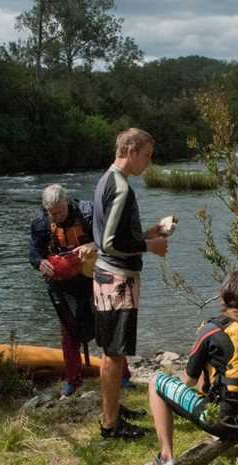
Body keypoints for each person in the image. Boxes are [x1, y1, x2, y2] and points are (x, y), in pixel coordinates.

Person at [144, 271, 238, 465]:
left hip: (224, 423)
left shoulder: (212, 330)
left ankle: (166, 458)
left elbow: (187, 381)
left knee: (155, 382)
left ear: (222, 295)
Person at [92, 128, 168, 439]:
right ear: (131, 150)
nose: (148, 163)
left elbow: (112, 236)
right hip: (117, 279)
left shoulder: (105, 180)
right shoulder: (122, 188)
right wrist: (151, 246)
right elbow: (110, 243)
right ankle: (110, 425)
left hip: (104, 275)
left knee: (111, 351)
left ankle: (111, 409)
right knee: (114, 352)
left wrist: (148, 232)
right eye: (147, 155)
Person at [29, 184, 133, 396]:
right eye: (52, 212)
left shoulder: (88, 213)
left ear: (67, 201)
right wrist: (40, 263)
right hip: (64, 286)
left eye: (60, 211)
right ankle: (73, 380)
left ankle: (122, 376)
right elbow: (33, 252)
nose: (56, 216)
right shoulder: (41, 224)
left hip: (95, 278)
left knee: (108, 324)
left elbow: (113, 238)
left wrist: (95, 244)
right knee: (68, 332)